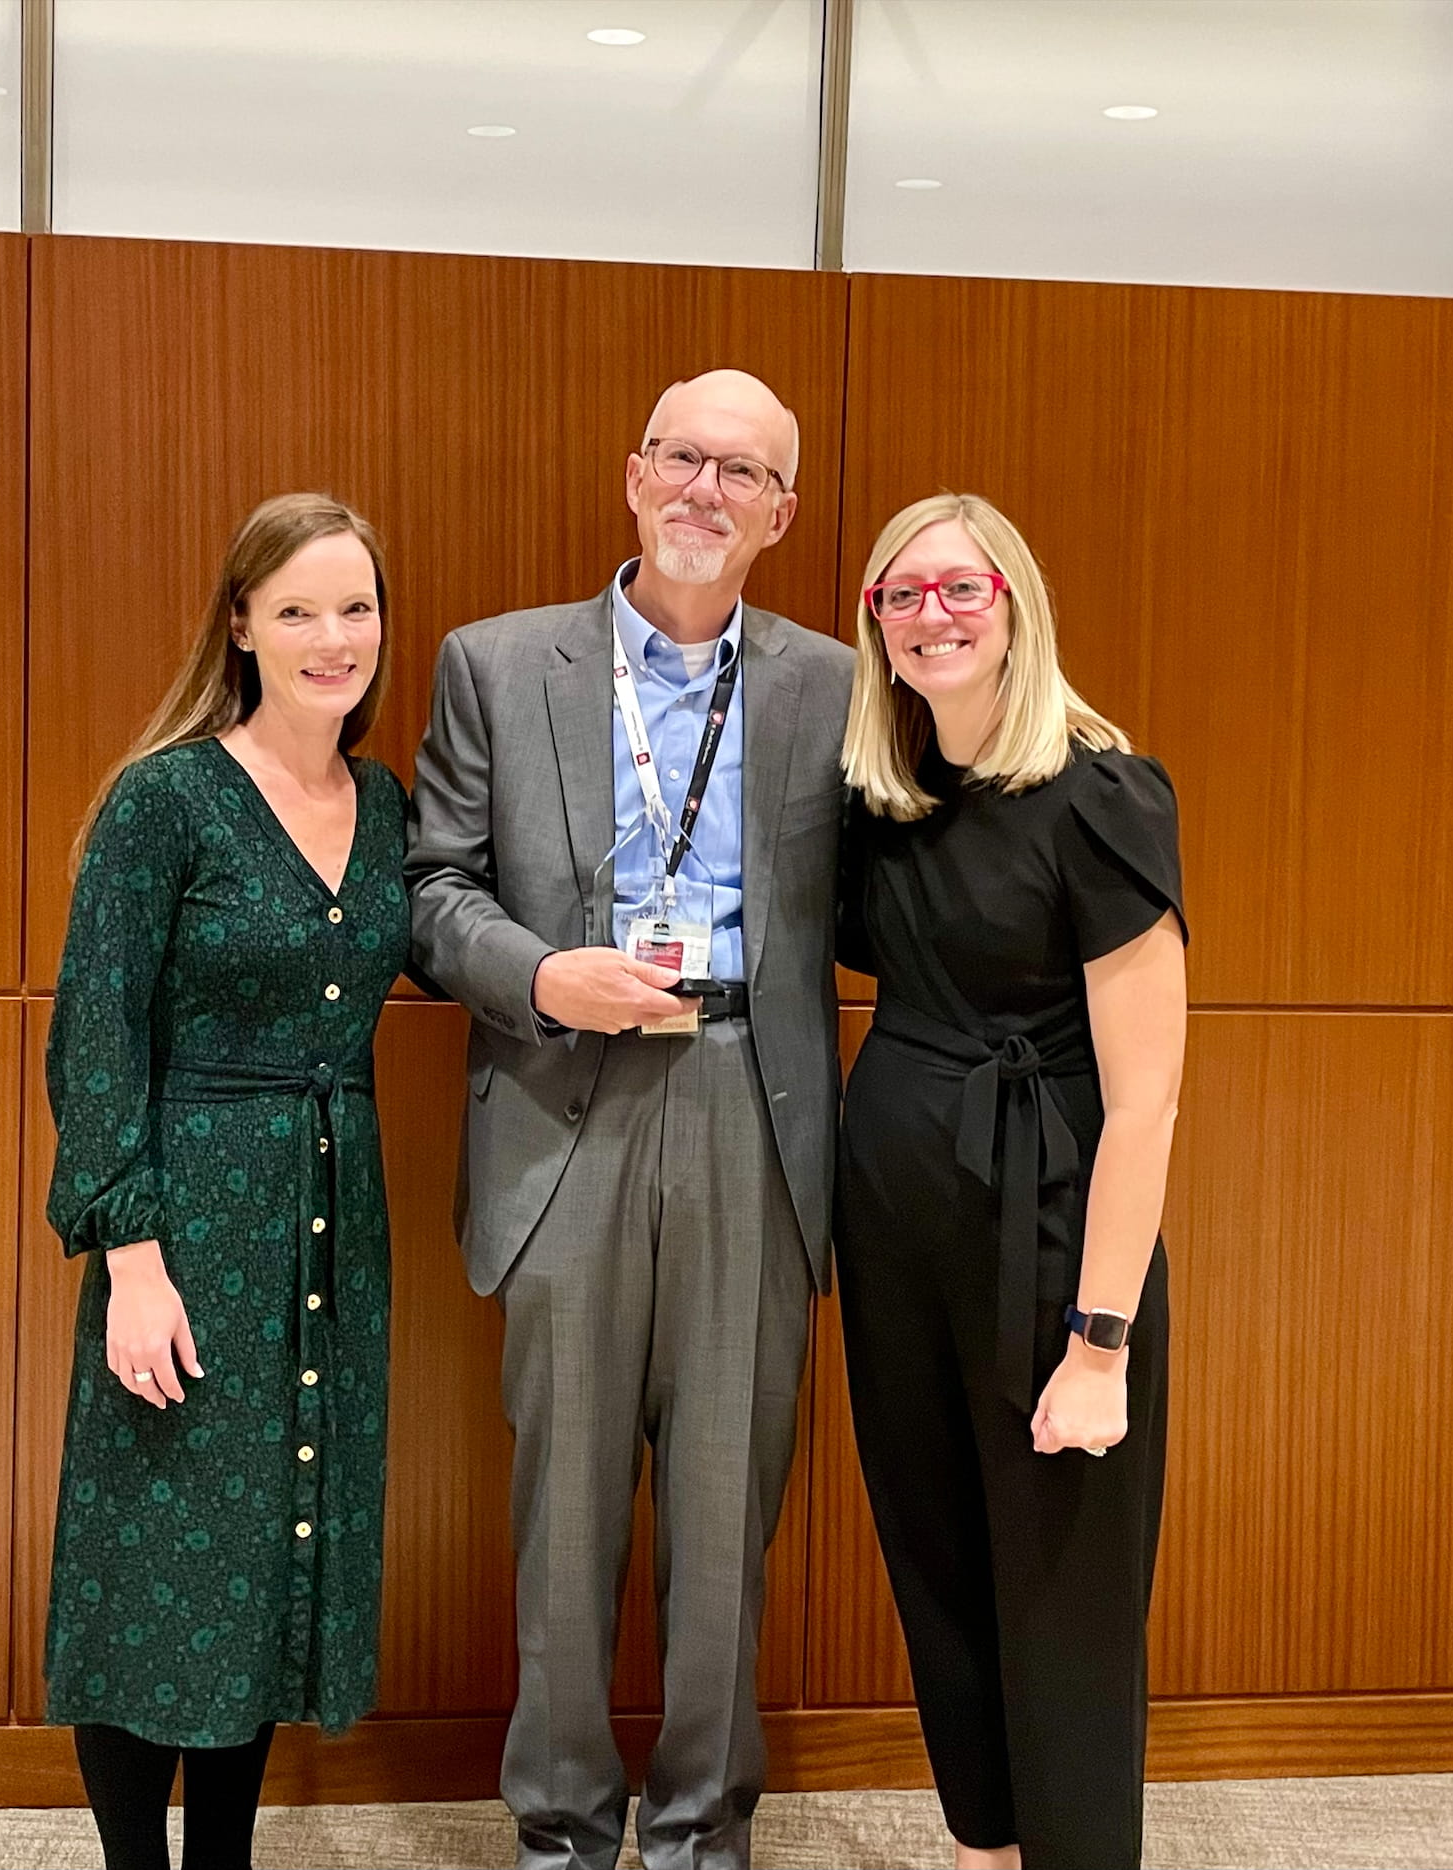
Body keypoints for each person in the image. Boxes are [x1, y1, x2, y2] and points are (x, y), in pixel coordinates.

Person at [407, 370, 853, 1870]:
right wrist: (537, 971)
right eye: (681, 457)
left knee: (728, 1506)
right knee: (564, 1509)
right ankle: (558, 1828)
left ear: (780, 514)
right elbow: (429, 891)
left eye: (742, 472)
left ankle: (703, 1829)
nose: (703, 490)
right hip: (560, 1104)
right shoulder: (495, 661)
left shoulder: (835, 684)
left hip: (750, 1105)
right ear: (630, 473)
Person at [41, 494, 409, 1870]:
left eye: (356, 607)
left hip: (329, 1229)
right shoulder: (168, 797)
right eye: (299, 608)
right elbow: (92, 1036)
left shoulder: (385, 805)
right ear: (242, 623)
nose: (332, 636)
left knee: (267, 1552)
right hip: (189, 1224)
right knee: (155, 1562)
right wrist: (129, 1256)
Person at [835, 493, 1189, 1870]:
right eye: (899, 595)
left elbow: (1144, 1096)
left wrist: (1099, 1341)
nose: (931, 614)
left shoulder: (1101, 793)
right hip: (898, 1242)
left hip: (1049, 1250)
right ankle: (986, 1850)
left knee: (1064, 1603)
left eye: (958, 588)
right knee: (941, 1577)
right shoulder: (888, 801)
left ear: (1013, 602)